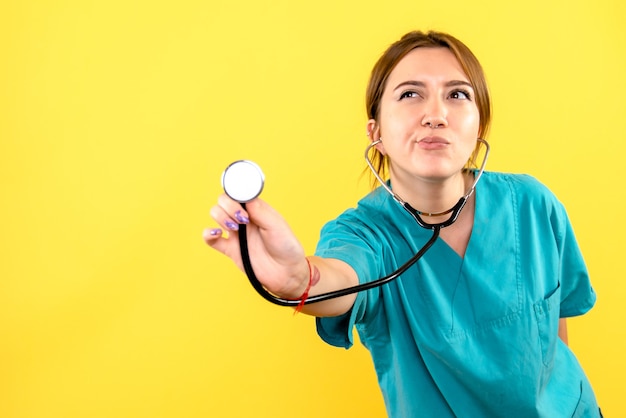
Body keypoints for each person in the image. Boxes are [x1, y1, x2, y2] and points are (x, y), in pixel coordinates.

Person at [204, 30, 601, 417]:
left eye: (457, 95)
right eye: (410, 94)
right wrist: (297, 280)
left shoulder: (532, 205)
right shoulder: (365, 234)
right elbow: (339, 278)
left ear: (479, 126)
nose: (436, 115)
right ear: (375, 132)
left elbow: (555, 334)